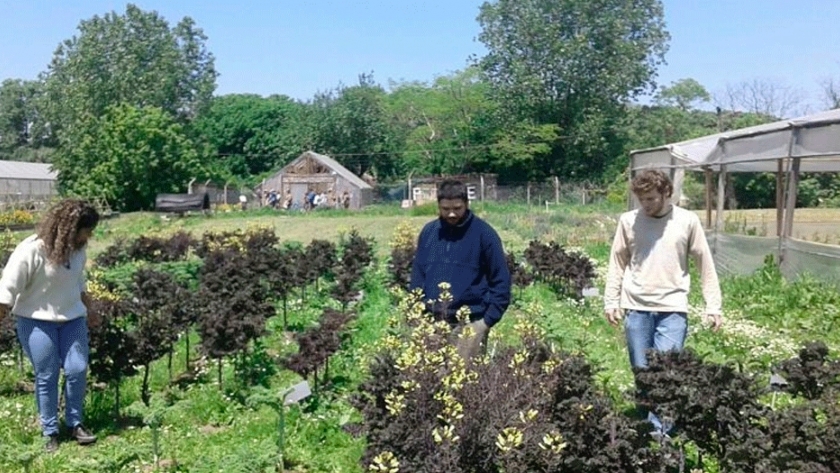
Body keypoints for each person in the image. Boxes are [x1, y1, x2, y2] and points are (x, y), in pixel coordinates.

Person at [604, 169, 722, 436]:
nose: (646, 204)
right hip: (636, 307)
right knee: (642, 371)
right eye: (642, 199)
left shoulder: (687, 221)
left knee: (667, 372)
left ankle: (660, 434)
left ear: (667, 194)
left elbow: (705, 263)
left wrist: (713, 304)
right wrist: (611, 300)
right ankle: (646, 419)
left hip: (673, 308)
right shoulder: (628, 221)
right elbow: (617, 261)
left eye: (652, 199)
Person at [0, 199, 100, 452]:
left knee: (77, 369)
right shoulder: (31, 250)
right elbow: (8, 286)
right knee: (47, 375)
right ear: (70, 227)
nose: (89, 235)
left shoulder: (78, 251)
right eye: (86, 229)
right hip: (36, 321)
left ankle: (75, 423)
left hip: (72, 319)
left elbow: (78, 283)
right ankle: (50, 431)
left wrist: (90, 309)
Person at [409, 180, 511, 360]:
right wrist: (418, 313)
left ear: (466, 204)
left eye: (457, 208)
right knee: (431, 381)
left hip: (469, 324)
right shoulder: (429, 232)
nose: (451, 214)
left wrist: (485, 322)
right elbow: (418, 275)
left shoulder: (484, 234)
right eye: (445, 208)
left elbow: (501, 281)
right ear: (438, 205)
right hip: (432, 322)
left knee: (465, 383)